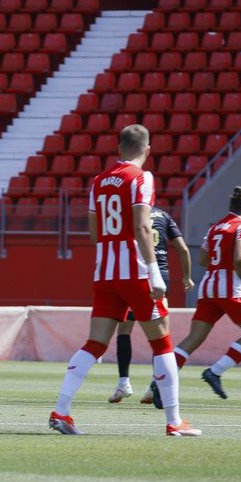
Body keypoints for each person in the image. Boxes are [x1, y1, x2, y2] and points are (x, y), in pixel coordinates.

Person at [49, 123, 199, 437]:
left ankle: (61, 410)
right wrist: (155, 271)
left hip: (105, 272)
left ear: (119, 148)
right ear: (147, 150)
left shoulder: (99, 181)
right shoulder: (142, 178)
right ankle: (174, 421)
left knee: (95, 343)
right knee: (162, 343)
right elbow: (143, 227)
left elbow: (93, 233)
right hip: (137, 272)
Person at [172, 185, 241, 399]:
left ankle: (159, 382)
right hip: (229, 289)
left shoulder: (215, 227)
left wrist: (228, 259)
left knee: (193, 337)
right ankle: (215, 372)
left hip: (207, 288)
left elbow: (203, 259)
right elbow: (239, 258)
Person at [108, 205, 194, 409]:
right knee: (161, 335)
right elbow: (183, 248)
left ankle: (123, 383)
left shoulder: (133, 213)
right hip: (162, 277)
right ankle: (155, 386)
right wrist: (187, 277)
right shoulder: (164, 216)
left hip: (137, 275)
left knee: (125, 329)